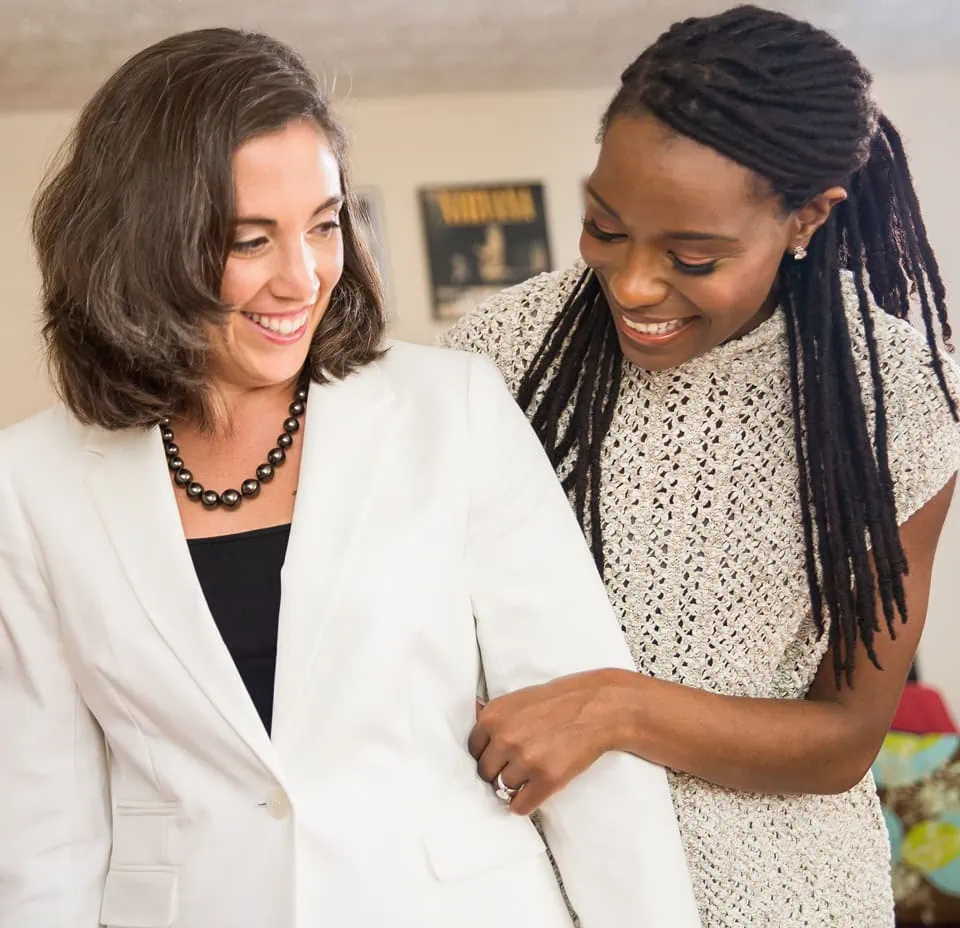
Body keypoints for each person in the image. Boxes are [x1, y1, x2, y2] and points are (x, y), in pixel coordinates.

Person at [0, 28, 701, 928]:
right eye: (250, 240)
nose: (304, 278)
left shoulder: (452, 410)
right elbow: (43, 829)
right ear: (139, 246)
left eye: (325, 225)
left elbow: (587, 741)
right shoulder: (30, 483)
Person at [443, 5, 960, 926]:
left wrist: (619, 708)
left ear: (808, 216)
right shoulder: (500, 349)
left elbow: (843, 736)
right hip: (528, 889)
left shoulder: (896, 402)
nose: (634, 285)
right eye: (605, 228)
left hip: (781, 901)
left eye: (692, 255)